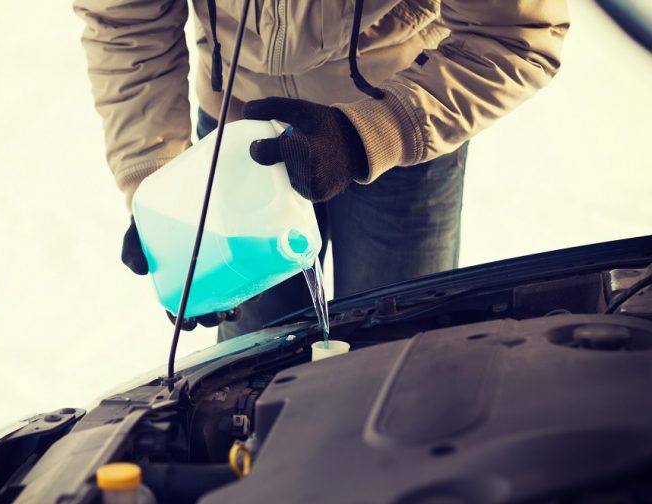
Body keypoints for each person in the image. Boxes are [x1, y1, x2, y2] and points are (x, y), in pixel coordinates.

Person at [73, 0, 569, 340]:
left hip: (405, 127)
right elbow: (125, 25)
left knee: (396, 360)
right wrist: (160, 184)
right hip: (238, 139)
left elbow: (516, 34)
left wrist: (369, 133)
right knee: (254, 372)